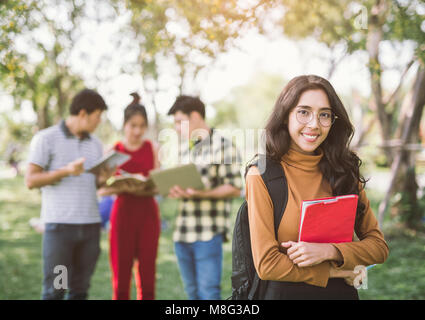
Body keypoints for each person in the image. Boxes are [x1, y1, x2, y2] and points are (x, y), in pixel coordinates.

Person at [245, 75, 389, 300]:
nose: (314, 124)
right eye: (304, 112)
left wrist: (330, 251)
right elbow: (267, 264)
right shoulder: (261, 175)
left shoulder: (345, 170)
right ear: (285, 117)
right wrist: (335, 271)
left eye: (324, 115)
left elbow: (379, 247)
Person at [25, 88, 113, 300]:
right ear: (83, 113)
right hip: (60, 230)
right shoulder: (46, 138)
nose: (99, 122)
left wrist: (105, 176)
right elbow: (31, 180)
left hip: (90, 229)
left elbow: (97, 184)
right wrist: (65, 171)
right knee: (57, 290)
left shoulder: (95, 144)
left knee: (80, 291)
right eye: (97, 116)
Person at [167, 95, 243, 300]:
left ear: (194, 116)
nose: (176, 128)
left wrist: (201, 194)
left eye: (178, 122)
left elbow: (235, 188)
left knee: (208, 294)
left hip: (208, 234)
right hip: (182, 234)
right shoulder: (185, 147)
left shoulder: (224, 146)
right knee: (192, 294)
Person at [98, 93, 160, 300]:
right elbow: (102, 189)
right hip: (123, 215)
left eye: (142, 126)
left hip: (148, 216)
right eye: (133, 125)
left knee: (147, 278)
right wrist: (121, 186)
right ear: (124, 125)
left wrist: (145, 186)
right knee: (121, 279)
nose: (137, 131)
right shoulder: (114, 151)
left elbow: (159, 186)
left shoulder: (152, 149)